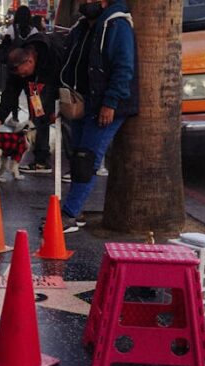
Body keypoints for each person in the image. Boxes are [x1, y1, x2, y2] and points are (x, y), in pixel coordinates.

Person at [58, 0, 138, 233]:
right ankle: (75, 209)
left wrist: (110, 103)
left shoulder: (117, 26)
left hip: (104, 106)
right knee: (78, 157)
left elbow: (124, 67)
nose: (85, 3)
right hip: (83, 103)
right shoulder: (83, 28)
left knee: (86, 159)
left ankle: (70, 213)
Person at [0, 32, 63, 175]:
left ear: (30, 61)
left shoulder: (52, 55)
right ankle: (41, 160)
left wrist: (57, 109)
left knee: (50, 118)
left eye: (23, 73)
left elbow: (63, 78)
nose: (22, 76)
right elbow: (11, 91)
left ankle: (75, 165)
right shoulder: (20, 64)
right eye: (19, 75)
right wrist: (0, 116)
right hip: (37, 85)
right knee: (38, 117)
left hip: (55, 82)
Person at [0, 6, 37, 127]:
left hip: (15, 70)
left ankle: (14, 117)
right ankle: (34, 118)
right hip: (31, 72)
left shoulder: (12, 29)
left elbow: (4, 47)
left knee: (12, 94)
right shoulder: (34, 31)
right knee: (33, 95)